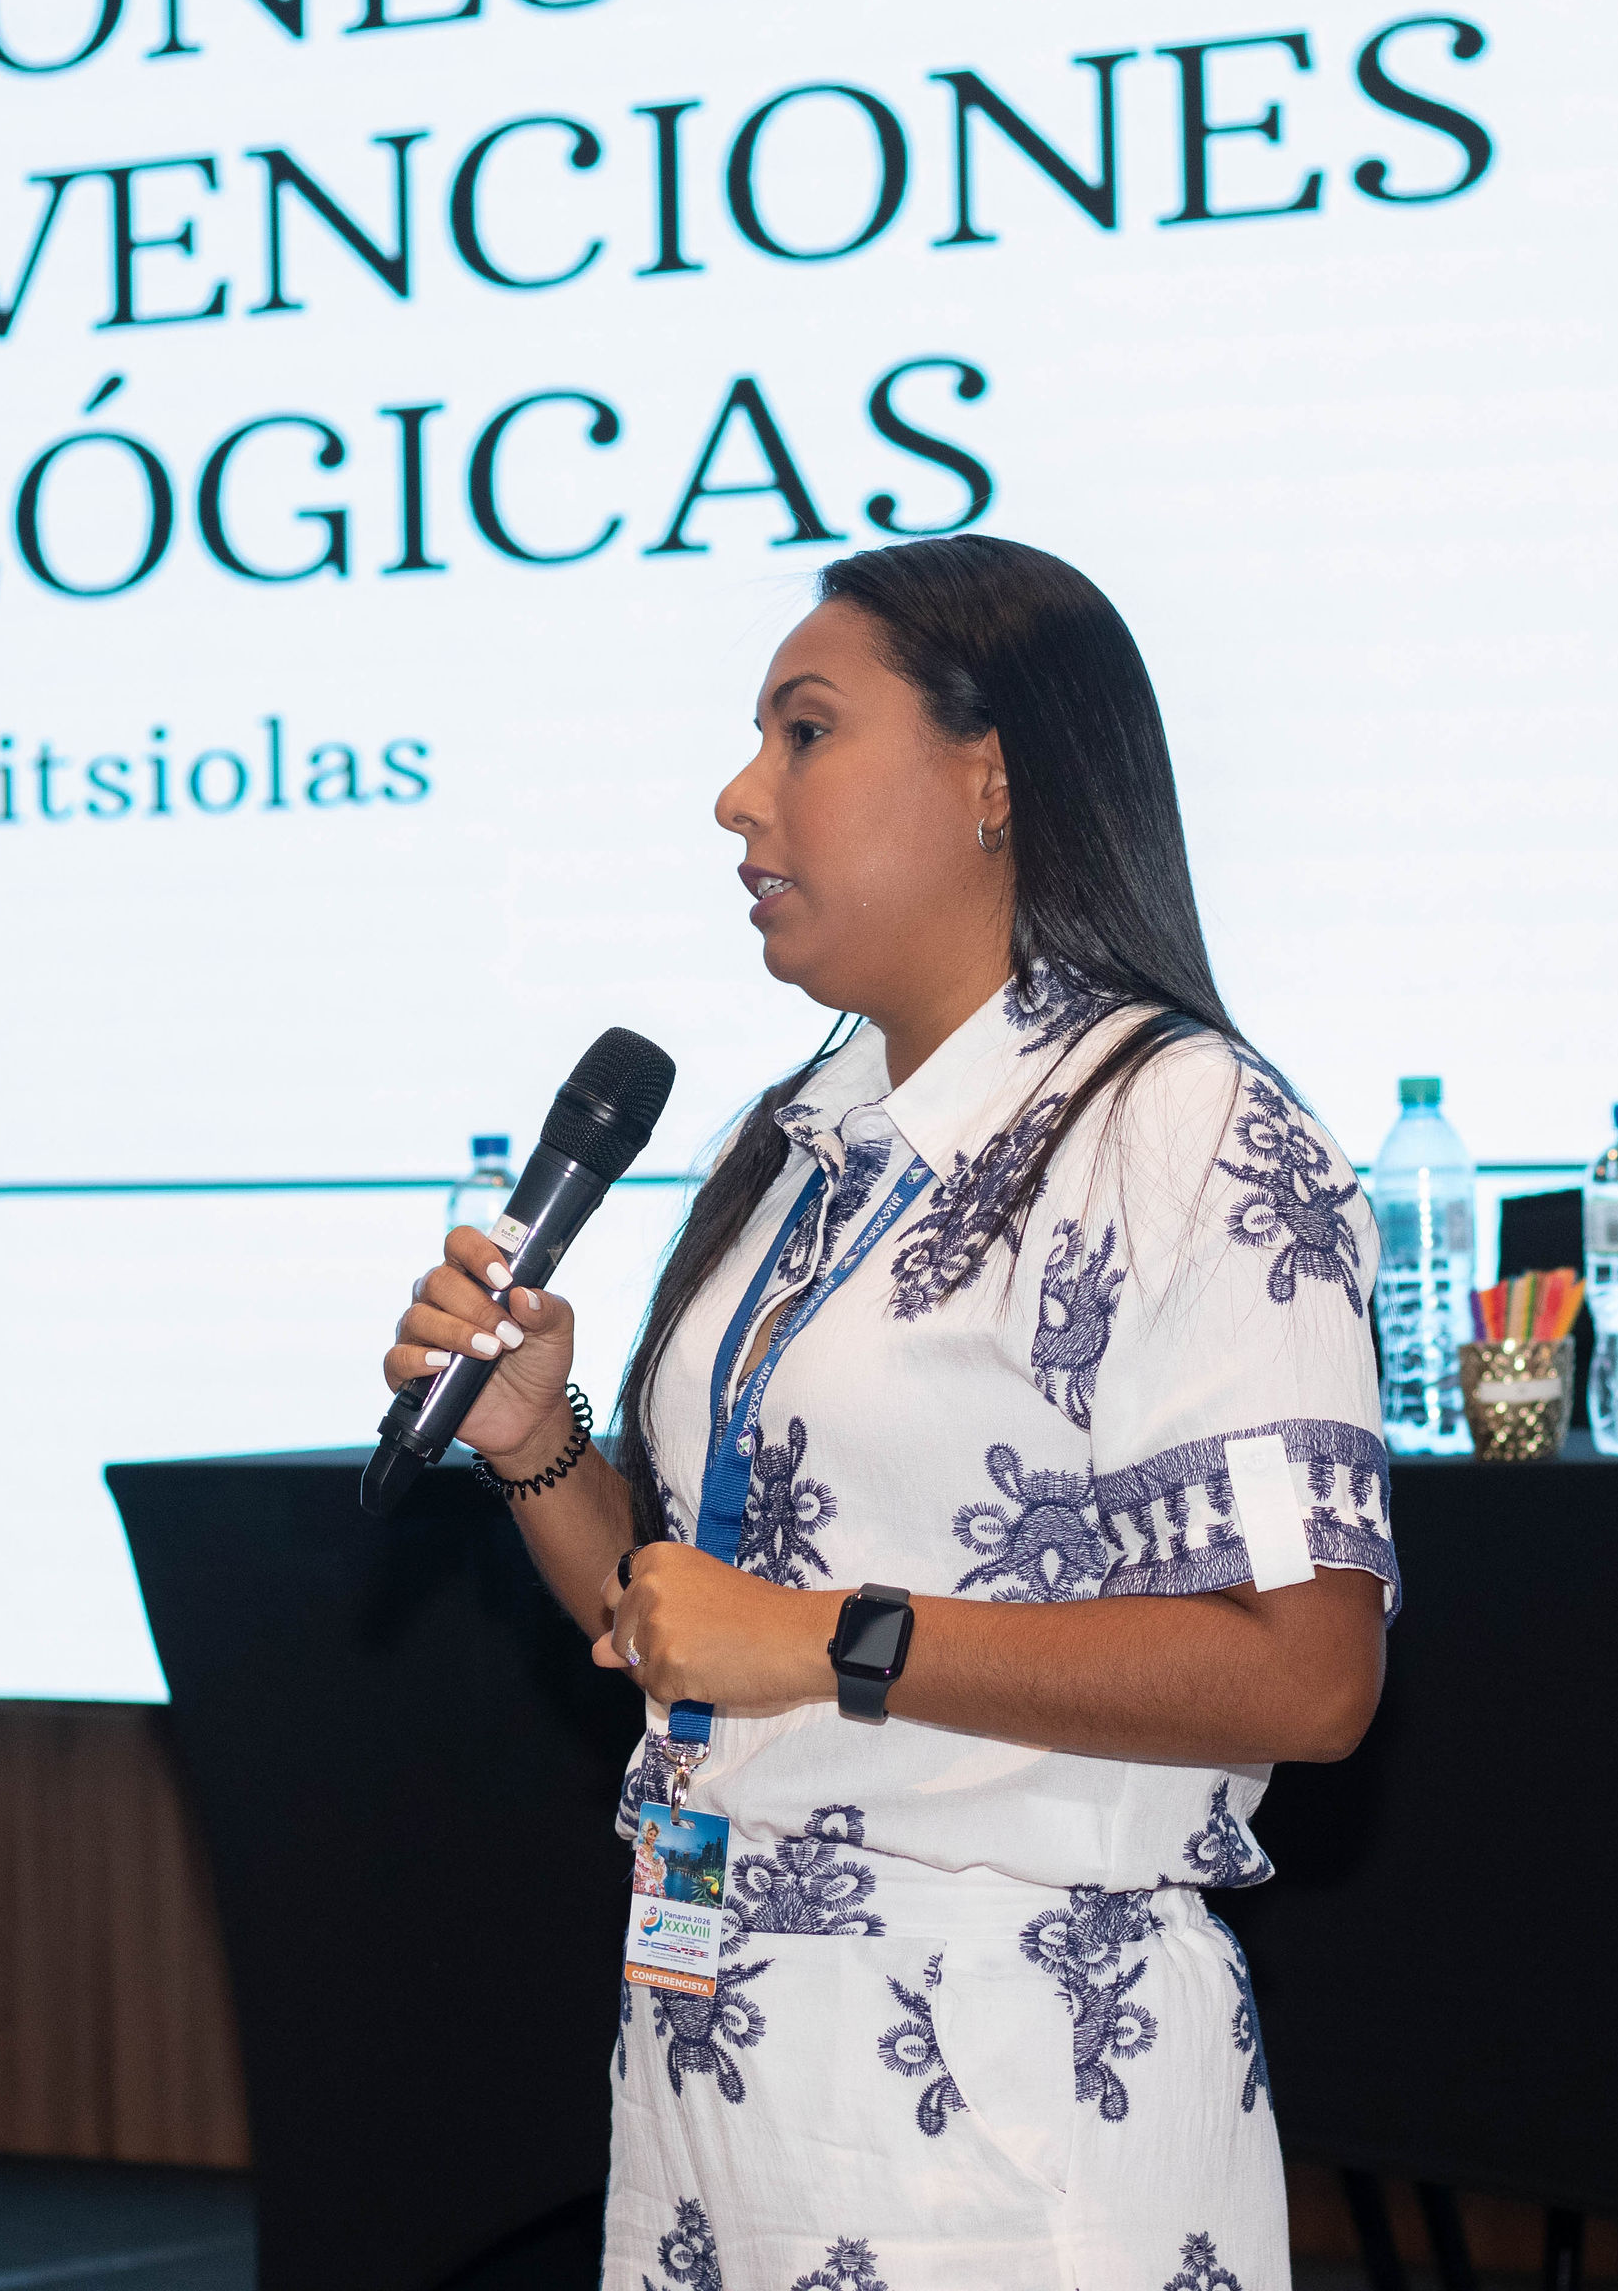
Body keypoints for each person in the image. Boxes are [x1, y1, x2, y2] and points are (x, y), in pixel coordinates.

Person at [381, 534, 1394, 2291]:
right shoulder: (787, 1146)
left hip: (1016, 2108)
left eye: (804, 733)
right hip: (721, 2087)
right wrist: (540, 1447)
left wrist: (831, 1640)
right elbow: (693, 1623)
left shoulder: (1184, 1127)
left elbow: (1309, 1675)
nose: (736, 797)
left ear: (991, 774)